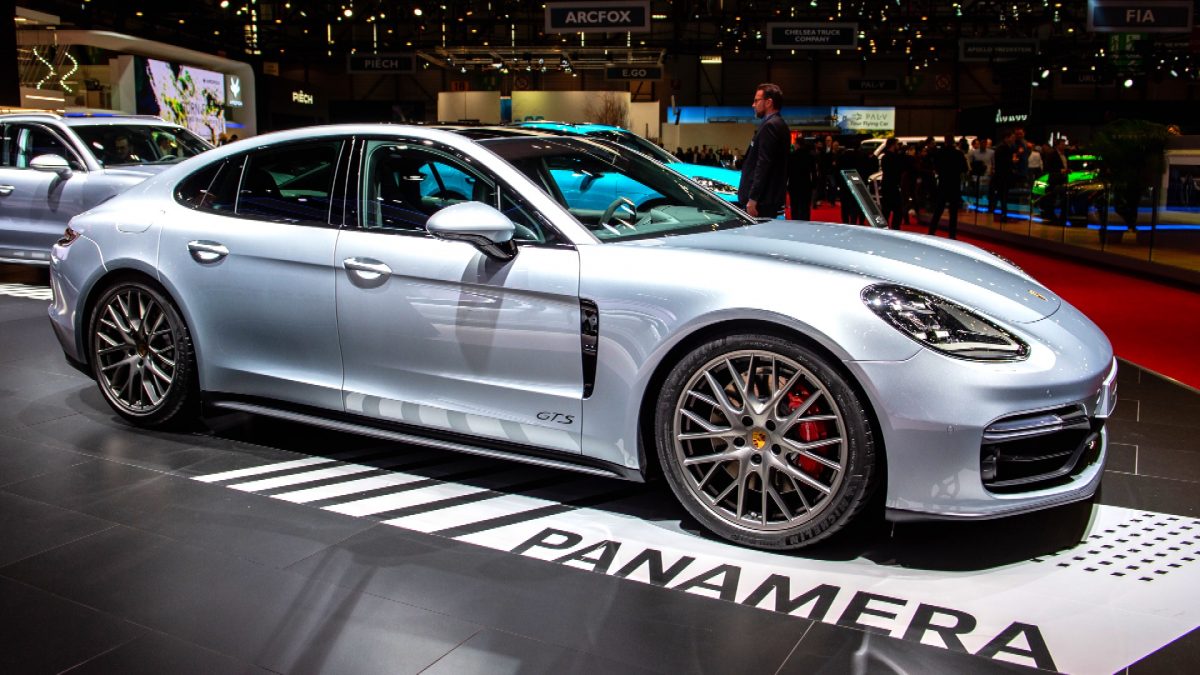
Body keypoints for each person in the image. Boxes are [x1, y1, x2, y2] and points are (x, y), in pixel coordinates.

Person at [738, 83, 790, 218]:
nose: (753, 105)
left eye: (756, 100)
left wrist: (753, 198)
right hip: (768, 198)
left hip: (763, 201)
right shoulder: (779, 124)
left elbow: (763, 164)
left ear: (768, 102)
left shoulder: (770, 126)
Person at [927, 134, 969, 239]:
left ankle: (931, 231)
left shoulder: (939, 153)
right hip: (954, 184)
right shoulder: (958, 154)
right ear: (953, 141)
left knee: (938, 209)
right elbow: (964, 168)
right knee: (953, 212)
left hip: (943, 183)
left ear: (945, 141)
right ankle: (952, 235)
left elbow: (935, 167)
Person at [787, 140, 816, 220]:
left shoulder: (791, 156)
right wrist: (814, 185)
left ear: (797, 145)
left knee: (794, 207)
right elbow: (814, 173)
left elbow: (787, 172)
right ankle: (805, 223)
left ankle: (795, 223)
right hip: (806, 185)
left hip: (794, 185)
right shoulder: (810, 157)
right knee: (805, 207)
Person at [880, 137, 905, 229]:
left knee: (886, 209)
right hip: (892, 186)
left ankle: (884, 229)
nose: (898, 146)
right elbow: (899, 169)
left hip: (886, 185)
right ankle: (895, 229)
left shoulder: (885, 157)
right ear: (893, 145)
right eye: (897, 144)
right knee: (897, 210)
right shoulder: (893, 157)